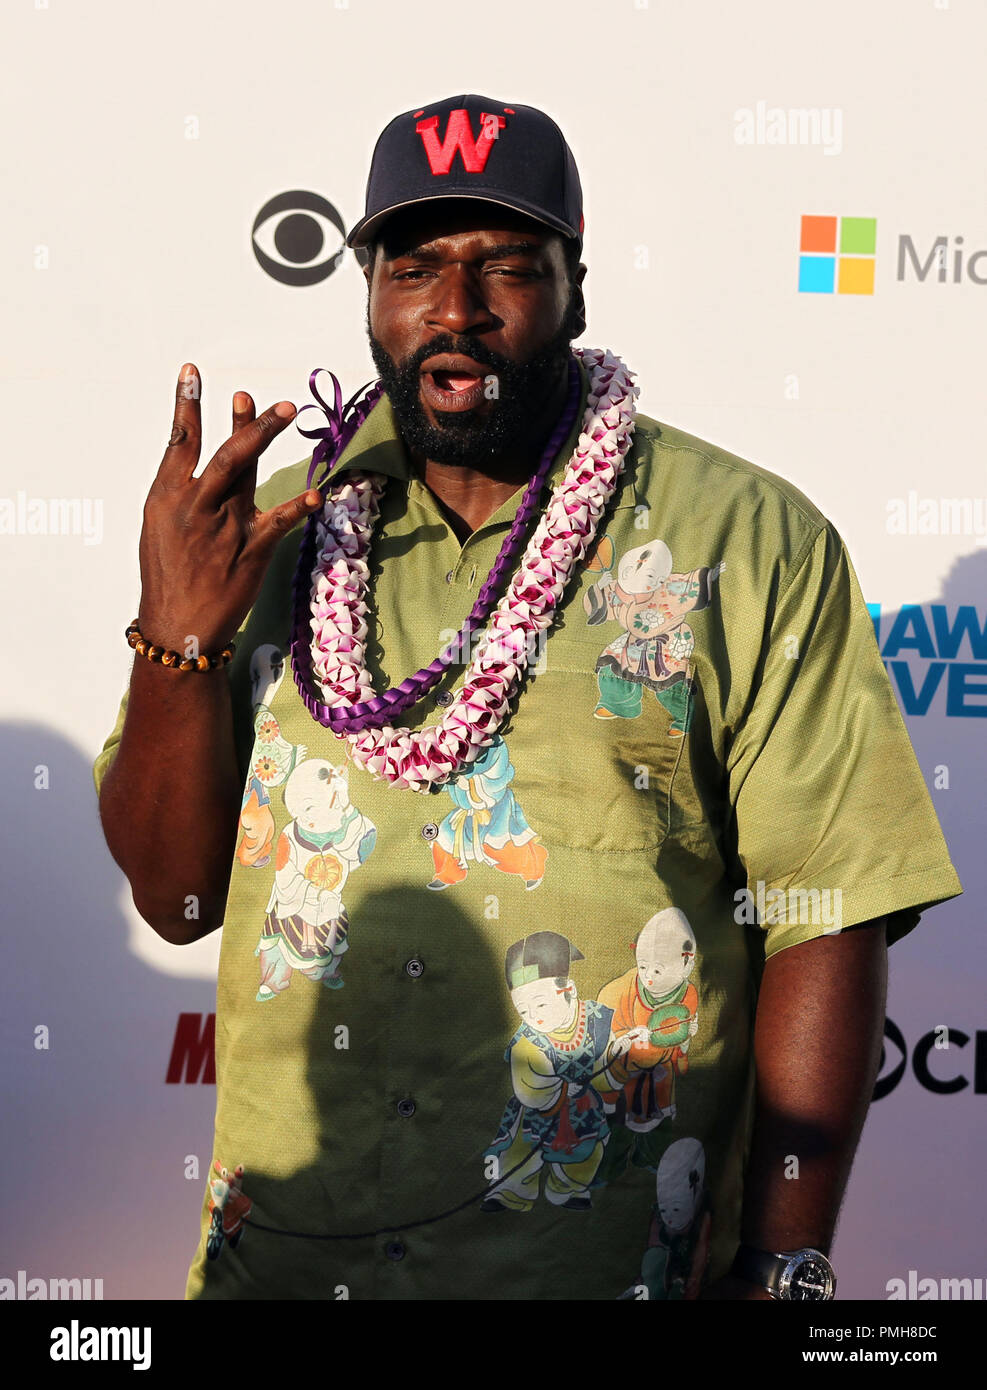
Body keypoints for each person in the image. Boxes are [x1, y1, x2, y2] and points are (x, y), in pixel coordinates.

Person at [93, 94, 962, 1301]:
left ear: (578, 286)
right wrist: (174, 640)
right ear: (369, 294)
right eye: (416, 267)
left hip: (600, 1268)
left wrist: (784, 1265)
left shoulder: (748, 538)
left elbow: (827, 914)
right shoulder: (275, 528)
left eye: (509, 265)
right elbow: (177, 897)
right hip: (288, 1261)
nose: (456, 309)